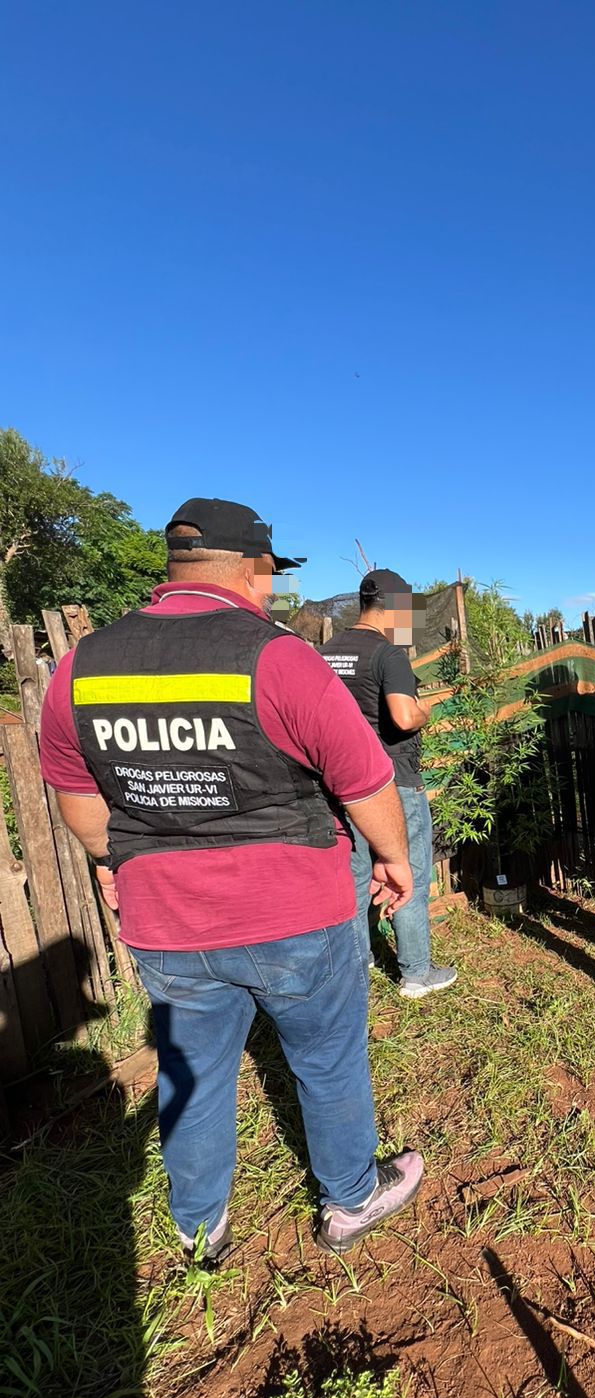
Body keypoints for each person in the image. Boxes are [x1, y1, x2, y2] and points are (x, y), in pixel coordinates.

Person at [39, 498, 425, 1264]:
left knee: (194, 1073)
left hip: (168, 924)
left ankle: (199, 1226)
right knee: (326, 1060)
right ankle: (349, 1200)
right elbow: (363, 778)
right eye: (272, 574)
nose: (274, 589)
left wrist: (116, 862)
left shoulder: (84, 665)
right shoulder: (278, 657)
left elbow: (77, 801)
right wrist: (395, 857)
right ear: (251, 569)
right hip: (294, 914)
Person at [319, 569, 457, 998]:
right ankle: (417, 972)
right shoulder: (388, 653)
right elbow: (401, 716)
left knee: (356, 877)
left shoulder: (326, 652)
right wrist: (425, 710)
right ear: (394, 608)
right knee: (408, 873)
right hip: (394, 783)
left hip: (341, 783)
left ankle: (359, 966)